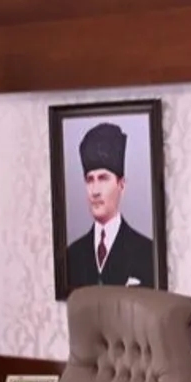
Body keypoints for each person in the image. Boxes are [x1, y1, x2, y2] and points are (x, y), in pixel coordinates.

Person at [65, 122, 155, 290]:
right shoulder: (72, 255)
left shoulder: (147, 252)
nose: (95, 191)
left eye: (103, 178)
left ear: (121, 184)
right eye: (89, 180)